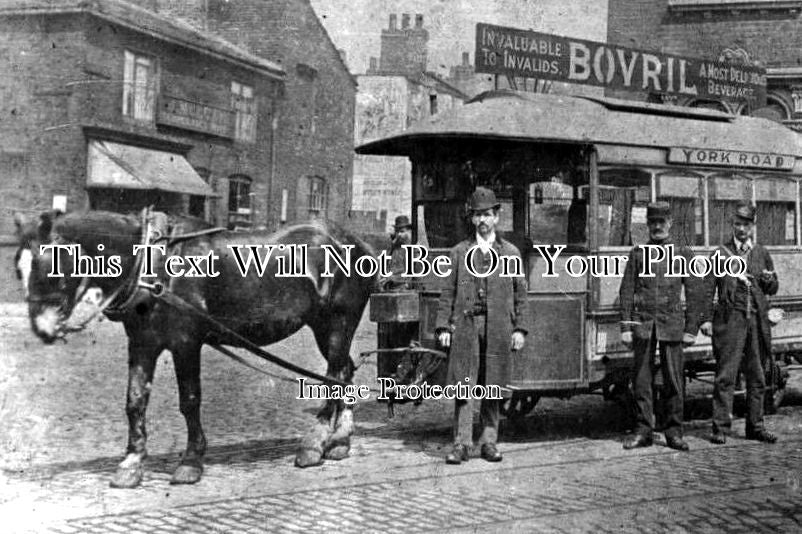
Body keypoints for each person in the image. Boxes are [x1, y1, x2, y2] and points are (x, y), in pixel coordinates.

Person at [435, 187, 530, 464]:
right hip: (466, 327)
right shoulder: (458, 252)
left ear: (497, 217)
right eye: (478, 215)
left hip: (498, 326)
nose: (483, 221)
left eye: (488, 214)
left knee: (493, 383)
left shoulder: (510, 253)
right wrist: (443, 327)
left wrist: (520, 329)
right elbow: (447, 293)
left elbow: (521, 295)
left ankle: (489, 442)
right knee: (465, 384)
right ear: (472, 219)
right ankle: (462, 443)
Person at [618, 201, 704, 451]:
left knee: (674, 381)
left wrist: (691, 329)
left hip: (672, 324)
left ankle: (674, 432)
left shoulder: (683, 253)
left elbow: (695, 292)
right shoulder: (637, 254)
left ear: (670, 224)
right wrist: (625, 326)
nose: (657, 227)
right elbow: (626, 291)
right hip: (644, 325)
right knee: (642, 381)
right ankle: (643, 430)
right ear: (647, 225)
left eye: (661, 222)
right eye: (653, 222)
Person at [700, 202, 779, 444]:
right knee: (726, 375)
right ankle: (720, 428)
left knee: (757, 376)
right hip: (730, 321)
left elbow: (773, 288)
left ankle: (756, 426)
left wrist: (769, 280)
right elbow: (707, 289)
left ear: (752, 227)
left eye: (745, 225)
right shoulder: (721, 253)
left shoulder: (761, 253)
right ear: (732, 225)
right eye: (737, 224)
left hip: (756, 321)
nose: (741, 229)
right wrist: (705, 319)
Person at [378, 215, 414, 291]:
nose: (399, 234)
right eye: (397, 231)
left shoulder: (412, 249)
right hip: (390, 288)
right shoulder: (394, 248)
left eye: (402, 231)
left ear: (409, 231)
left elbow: (410, 275)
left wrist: (391, 278)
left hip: (404, 290)